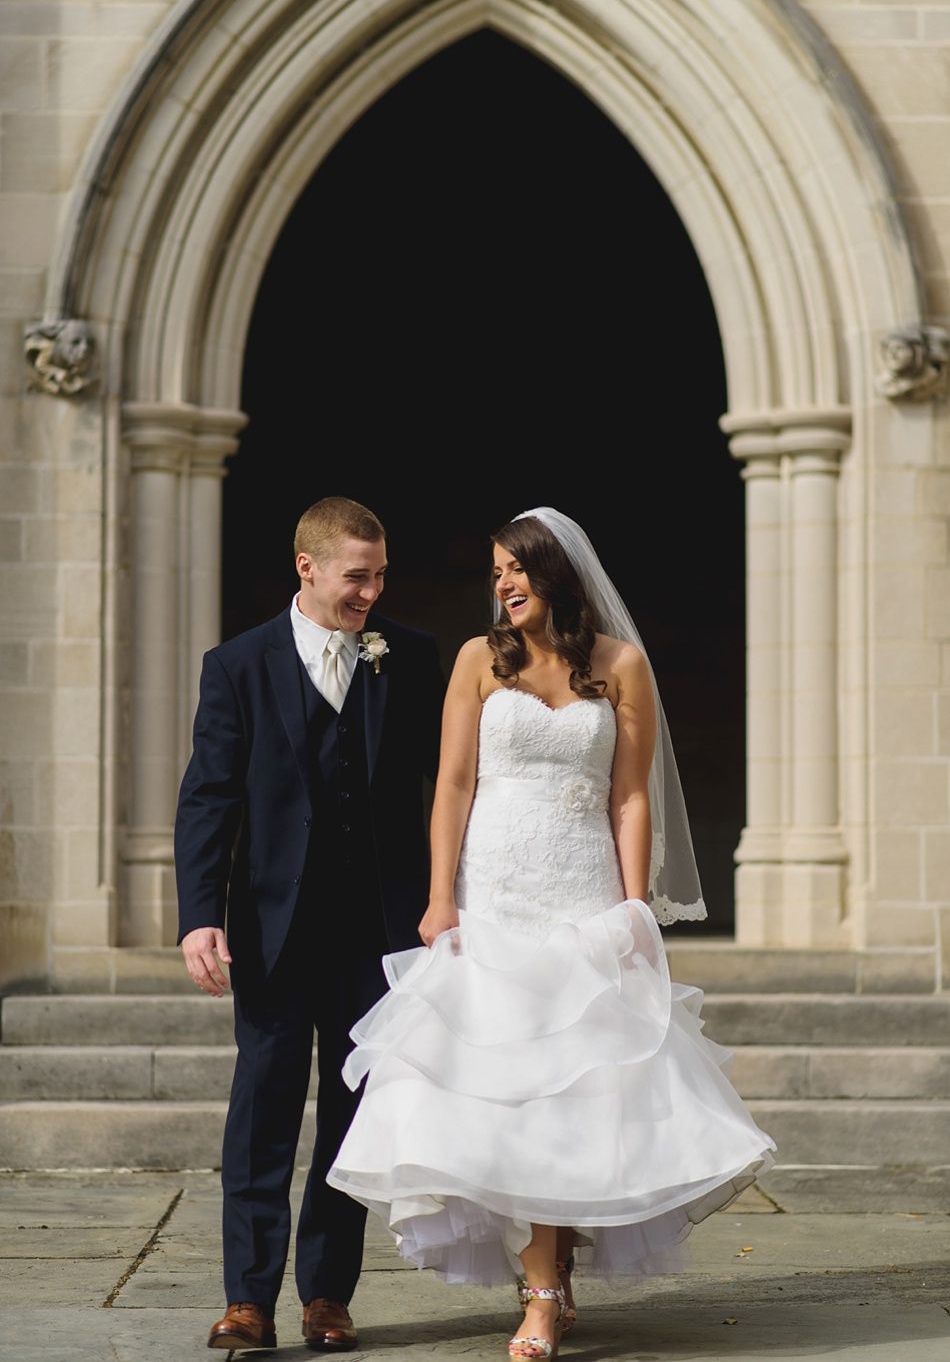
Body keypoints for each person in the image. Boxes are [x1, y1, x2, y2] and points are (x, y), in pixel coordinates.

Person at [327, 507, 777, 1360]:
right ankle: (541, 1291)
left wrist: (634, 907)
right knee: (514, 1093)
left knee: (574, 1097)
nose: (502, 584)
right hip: (493, 891)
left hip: (581, 893)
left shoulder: (622, 666)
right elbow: (453, 785)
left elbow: (631, 796)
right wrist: (438, 898)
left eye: (516, 569)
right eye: (495, 571)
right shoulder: (477, 661)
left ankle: (547, 1285)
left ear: (557, 575)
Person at [174, 496, 445, 1352]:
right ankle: (247, 1299)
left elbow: (444, 792)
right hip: (273, 930)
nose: (372, 592)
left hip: (379, 930)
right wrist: (197, 918)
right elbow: (209, 800)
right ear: (309, 567)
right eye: (357, 576)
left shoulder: (412, 658)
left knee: (351, 1113)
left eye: (380, 575)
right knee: (261, 1111)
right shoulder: (239, 665)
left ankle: (328, 1296)